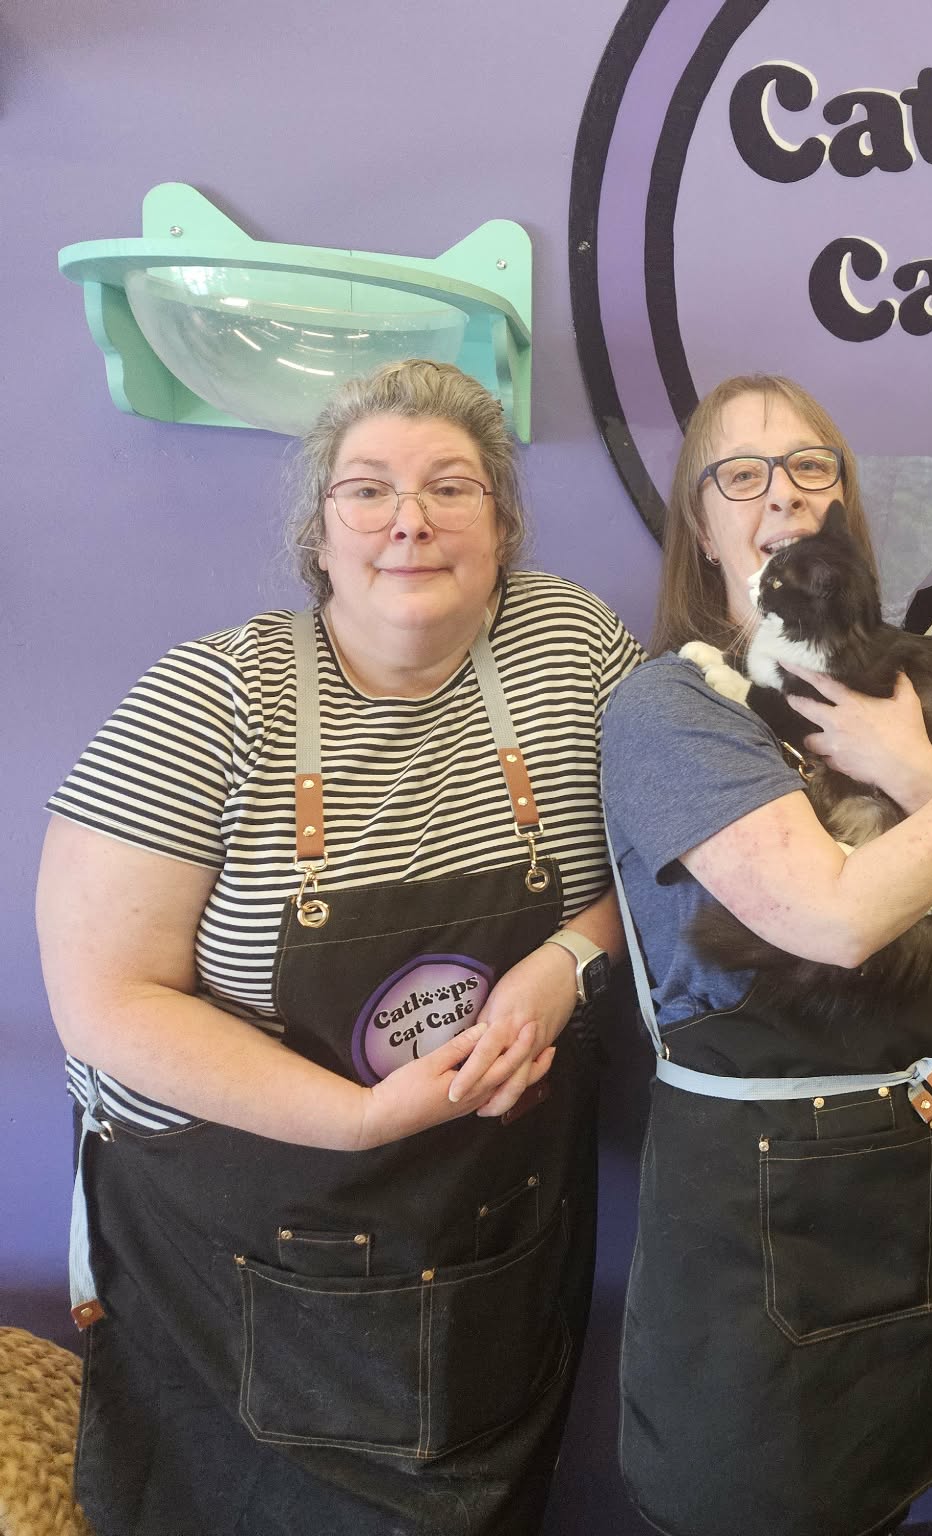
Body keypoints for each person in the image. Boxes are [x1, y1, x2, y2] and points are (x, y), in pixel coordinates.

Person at [37, 359, 638, 1534]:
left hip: (492, 1229)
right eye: (367, 491)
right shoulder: (208, 702)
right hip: (242, 1258)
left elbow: (669, 863)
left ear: (503, 524)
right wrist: (358, 1119)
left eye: (450, 487)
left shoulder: (570, 648)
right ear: (319, 534)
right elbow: (104, 999)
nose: (408, 520)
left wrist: (562, 966)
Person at [601, 374, 932, 1536]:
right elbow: (837, 921)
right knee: (752, 1495)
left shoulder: (909, 679)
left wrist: (906, 763)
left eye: (811, 467)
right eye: (739, 474)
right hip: (757, 1202)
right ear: (701, 529)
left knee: (881, 1489)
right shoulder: (670, 710)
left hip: (912, 1170)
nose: (782, 495)